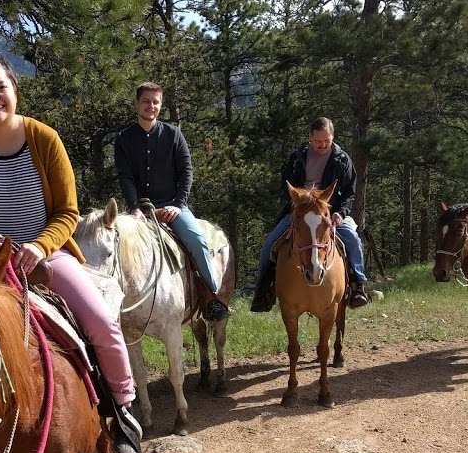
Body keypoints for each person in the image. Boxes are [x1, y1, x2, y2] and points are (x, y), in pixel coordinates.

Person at [0, 50, 142, 453]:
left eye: (0, 87)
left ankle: (122, 407)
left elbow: (67, 212)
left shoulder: (43, 138)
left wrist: (39, 245)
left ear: (15, 89)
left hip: (45, 257)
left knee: (101, 322)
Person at [114, 82, 229, 321]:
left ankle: (212, 298)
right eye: (146, 101)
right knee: (114, 246)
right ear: (136, 103)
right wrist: (135, 207)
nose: (151, 106)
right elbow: (125, 176)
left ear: (161, 105)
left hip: (173, 206)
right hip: (140, 211)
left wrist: (178, 204)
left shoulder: (173, 134)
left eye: (156, 102)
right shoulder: (124, 139)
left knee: (196, 241)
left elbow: (186, 172)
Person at [251, 117, 369, 312]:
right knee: (269, 245)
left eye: (326, 141)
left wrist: (340, 213)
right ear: (310, 138)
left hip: (330, 211)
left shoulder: (343, 160)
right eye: (317, 141)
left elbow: (349, 192)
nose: (322, 145)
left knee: (353, 239)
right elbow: (285, 184)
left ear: (333, 137)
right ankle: (264, 290)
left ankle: (358, 285)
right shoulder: (298, 157)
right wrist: (299, 201)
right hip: (301, 210)